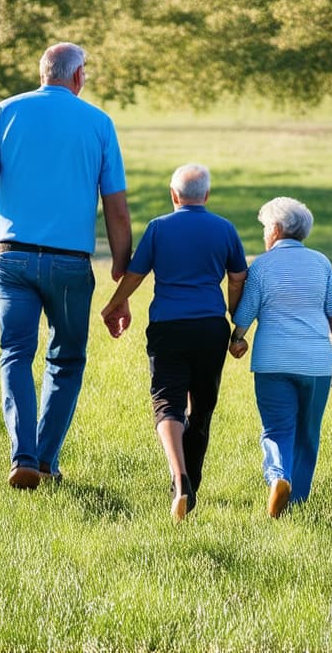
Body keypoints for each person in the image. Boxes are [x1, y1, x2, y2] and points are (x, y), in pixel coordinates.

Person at [0, 42, 132, 489]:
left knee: (15, 354)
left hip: (12, 256)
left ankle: (22, 454)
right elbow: (115, 206)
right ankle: (43, 461)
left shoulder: (6, 111)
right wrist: (122, 268)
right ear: (77, 77)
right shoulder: (99, 123)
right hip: (69, 263)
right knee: (66, 360)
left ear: (44, 73)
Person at [100, 164, 247, 521]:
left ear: (173, 195)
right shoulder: (225, 229)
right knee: (202, 409)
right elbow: (238, 276)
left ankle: (178, 478)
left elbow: (136, 273)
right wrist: (233, 317)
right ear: (207, 196)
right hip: (210, 328)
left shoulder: (158, 228)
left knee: (167, 403)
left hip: (168, 326)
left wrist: (114, 303)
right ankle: (191, 485)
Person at [229, 197, 332, 518]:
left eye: (266, 228)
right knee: (307, 433)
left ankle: (278, 478)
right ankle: (297, 503)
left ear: (277, 230)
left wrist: (237, 339)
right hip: (316, 364)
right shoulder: (321, 263)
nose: (265, 234)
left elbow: (246, 312)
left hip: (273, 363)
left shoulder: (263, 266)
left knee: (277, 429)